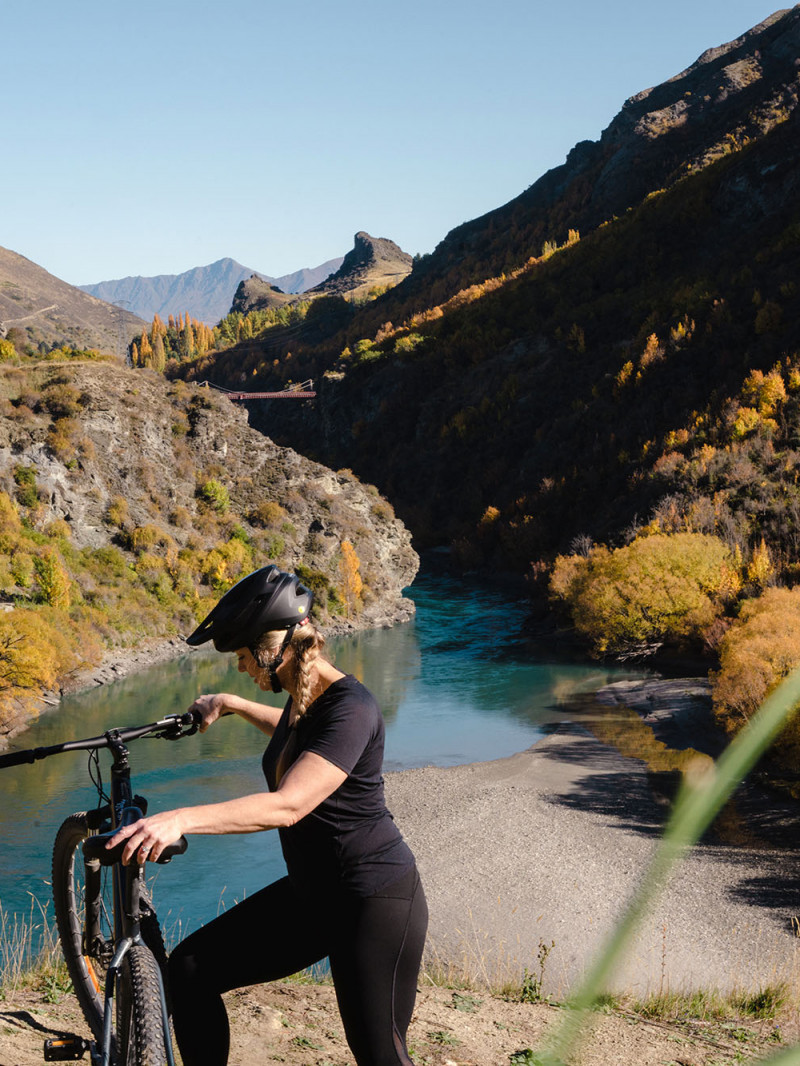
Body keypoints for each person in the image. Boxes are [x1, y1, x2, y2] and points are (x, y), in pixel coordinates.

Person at [108, 565, 428, 1066]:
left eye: (242, 657)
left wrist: (180, 819)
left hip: (372, 899)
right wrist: (231, 704)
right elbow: (292, 733)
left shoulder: (352, 707)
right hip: (313, 894)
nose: (241, 668)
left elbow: (290, 805)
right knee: (191, 969)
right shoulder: (306, 701)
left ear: (273, 646)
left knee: (380, 1054)